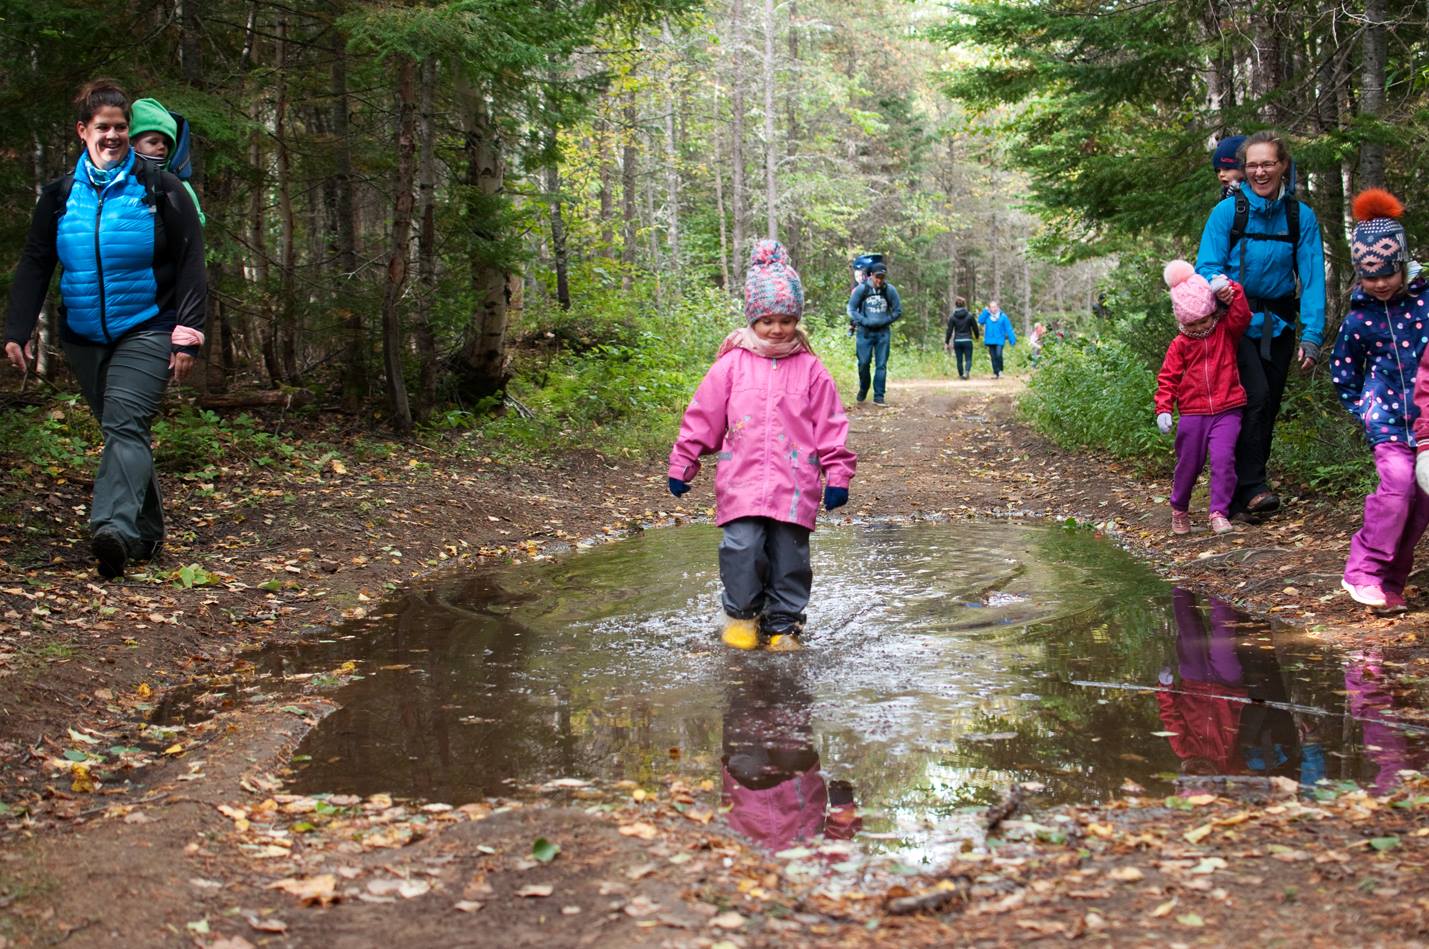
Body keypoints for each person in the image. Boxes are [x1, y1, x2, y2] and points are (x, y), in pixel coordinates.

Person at [4, 79, 207, 580]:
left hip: (148, 326)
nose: (113, 136)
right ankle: (147, 535)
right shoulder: (58, 196)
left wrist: (188, 332)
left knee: (123, 423)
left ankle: (112, 529)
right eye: (103, 127)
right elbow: (36, 262)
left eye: (121, 128)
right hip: (83, 334)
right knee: (124, 432)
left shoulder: (161, 189)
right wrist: (18, 327)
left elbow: (192, 262)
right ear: (83, 131)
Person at [668, 240, 856, 651]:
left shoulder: (811, 369)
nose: (776, 328)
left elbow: (831, 425)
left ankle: (783, 624)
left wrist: (837, 473)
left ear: (797, 320)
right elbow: (704, 415)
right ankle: (740, 617)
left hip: (795, 482)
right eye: (767, 320)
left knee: (790, 559)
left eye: (786, 319)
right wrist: (684, 460)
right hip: (742, 480)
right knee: (742, 548)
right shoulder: (731, 365)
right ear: (752, 319)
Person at [1195, 130, 1326, 523]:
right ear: (1243, 169)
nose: (1260, 171)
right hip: (1233, 321)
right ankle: (1250, 488)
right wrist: (1221, 287)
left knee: (1266, 406)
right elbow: (1207, 265)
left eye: (1268, 163)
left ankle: (1239, 492)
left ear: (1283, 165)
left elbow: (1313, 277)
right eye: (1252, 164)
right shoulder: (1227, 212)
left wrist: (1313, 334)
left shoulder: (1299, 216)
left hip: (1280, 322)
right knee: (1253, 396)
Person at [1331, 190, 1429, 612]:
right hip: (1387, 425)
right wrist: (1365, 410)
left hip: (1427, 424)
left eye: (1388, 273)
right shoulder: (1358, 320)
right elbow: (1344, 373)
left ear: (1403, 266)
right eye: (1370, 276)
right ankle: (1363, 570)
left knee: (1421, 505)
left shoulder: (1426, 305)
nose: (1380, 283)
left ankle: (1391, 583)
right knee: (1397, 489)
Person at [1154, 261, 1252, 535]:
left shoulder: (1225, 332)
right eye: (1192, 323)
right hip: (1193, 413)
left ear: (1213, 313)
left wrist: (1230, 289)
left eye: (1204, 320)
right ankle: (1179, 508)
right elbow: (1168, 378)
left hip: (1227, 408)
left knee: (1223, 460)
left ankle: (1218, 512)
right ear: (1182, 320)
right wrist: (1163, 407)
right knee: (1189, 463)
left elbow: (1242, 314)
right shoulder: (1180, 344)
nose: (1199, 327)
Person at [129, 97, 205, 227]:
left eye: (166, 142)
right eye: (153, 142)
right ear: (133, 143)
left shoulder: (177, 183)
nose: (161, 147)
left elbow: (197, 222)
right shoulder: (121, 179)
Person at [846, 261, 901, 404]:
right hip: (864, 332)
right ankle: (863, 388)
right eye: (877, 277)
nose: (879, 280)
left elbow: (897, 311)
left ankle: (879, 396)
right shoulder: (861, 290)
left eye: (882, 277)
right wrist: (863, 321)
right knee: (863, 363)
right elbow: (851, 309)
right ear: (871, 275)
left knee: (881, 364)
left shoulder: (889, 290)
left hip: (883, 333)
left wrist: (886, 320)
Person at [977, 300, 1016, 378]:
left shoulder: (1003, 316)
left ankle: (1000, 371)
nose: (993, 309)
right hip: (990, 340)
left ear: (998, 307)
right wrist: (985, 311)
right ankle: (995, 373)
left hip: (999, 339)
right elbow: (980, 321)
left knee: (998, 355)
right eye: (991, 307)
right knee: (993, 356)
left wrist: (1012, 339)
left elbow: (1008, 328)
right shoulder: (987, 316)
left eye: (994, 307)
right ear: (989, 308)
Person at [944, 295, 978, 379]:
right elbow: (975, 327)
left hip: (958, 340)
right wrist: (977, 336)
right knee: (968, 358)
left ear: (956, 305)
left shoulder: (953, 317)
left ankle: (960, 374)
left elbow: (949, 330)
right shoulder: (969, 316)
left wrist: (947, 342)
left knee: (959, 359)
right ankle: (966, 372)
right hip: (967, 340)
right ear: (964, 305)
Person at [1210, 134, 1245, 200]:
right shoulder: (1226, 193)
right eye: (1218, 170)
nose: (1221, 174)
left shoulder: (1258, 192)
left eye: (1227, 168)